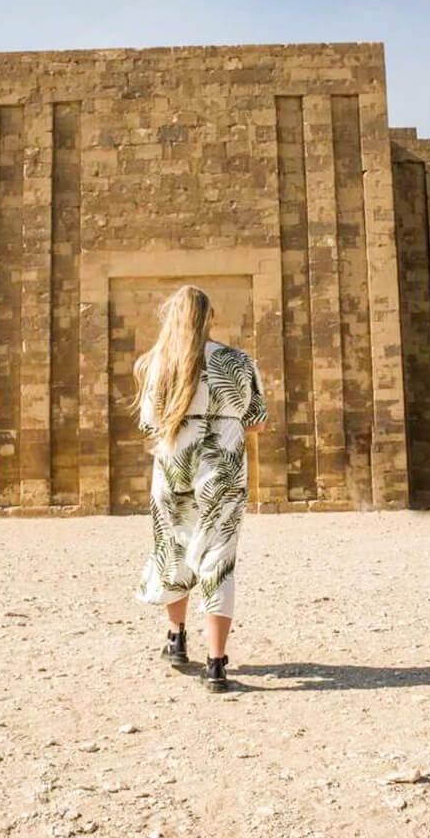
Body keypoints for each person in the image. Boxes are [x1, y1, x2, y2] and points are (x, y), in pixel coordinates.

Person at [131, 285, 267, 692]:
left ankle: (176, 640)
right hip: (222, 469)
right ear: (211, 317)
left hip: (174, 466)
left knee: (173, 549)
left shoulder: (157, 364)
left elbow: (147, 423)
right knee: (218, 559)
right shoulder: (238, 361)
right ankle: (217, 664)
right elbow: (257, 420)